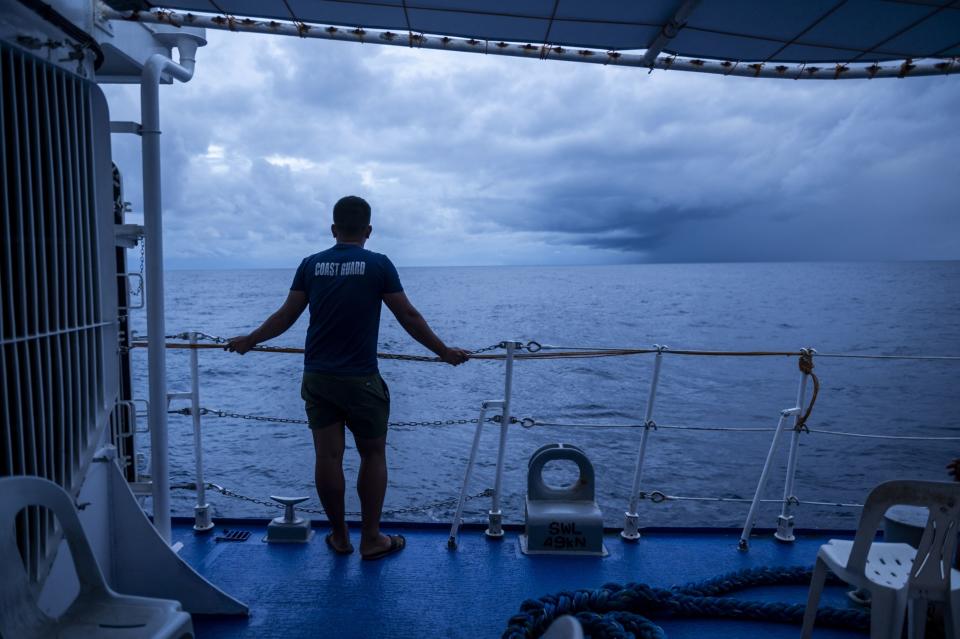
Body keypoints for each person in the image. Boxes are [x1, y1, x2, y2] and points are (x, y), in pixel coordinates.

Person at [226, 195, 469, 560]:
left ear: (333, 229)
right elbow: (409, 316)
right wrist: (444, 352)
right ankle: (371, 539)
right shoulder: (379, 265)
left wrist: (249, 340)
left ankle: (340, 537)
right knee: (373, 455)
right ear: (368, 230)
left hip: (318, 377)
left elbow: (286, 315)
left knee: (327, 457)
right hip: (361, 379)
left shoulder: (311, 264)